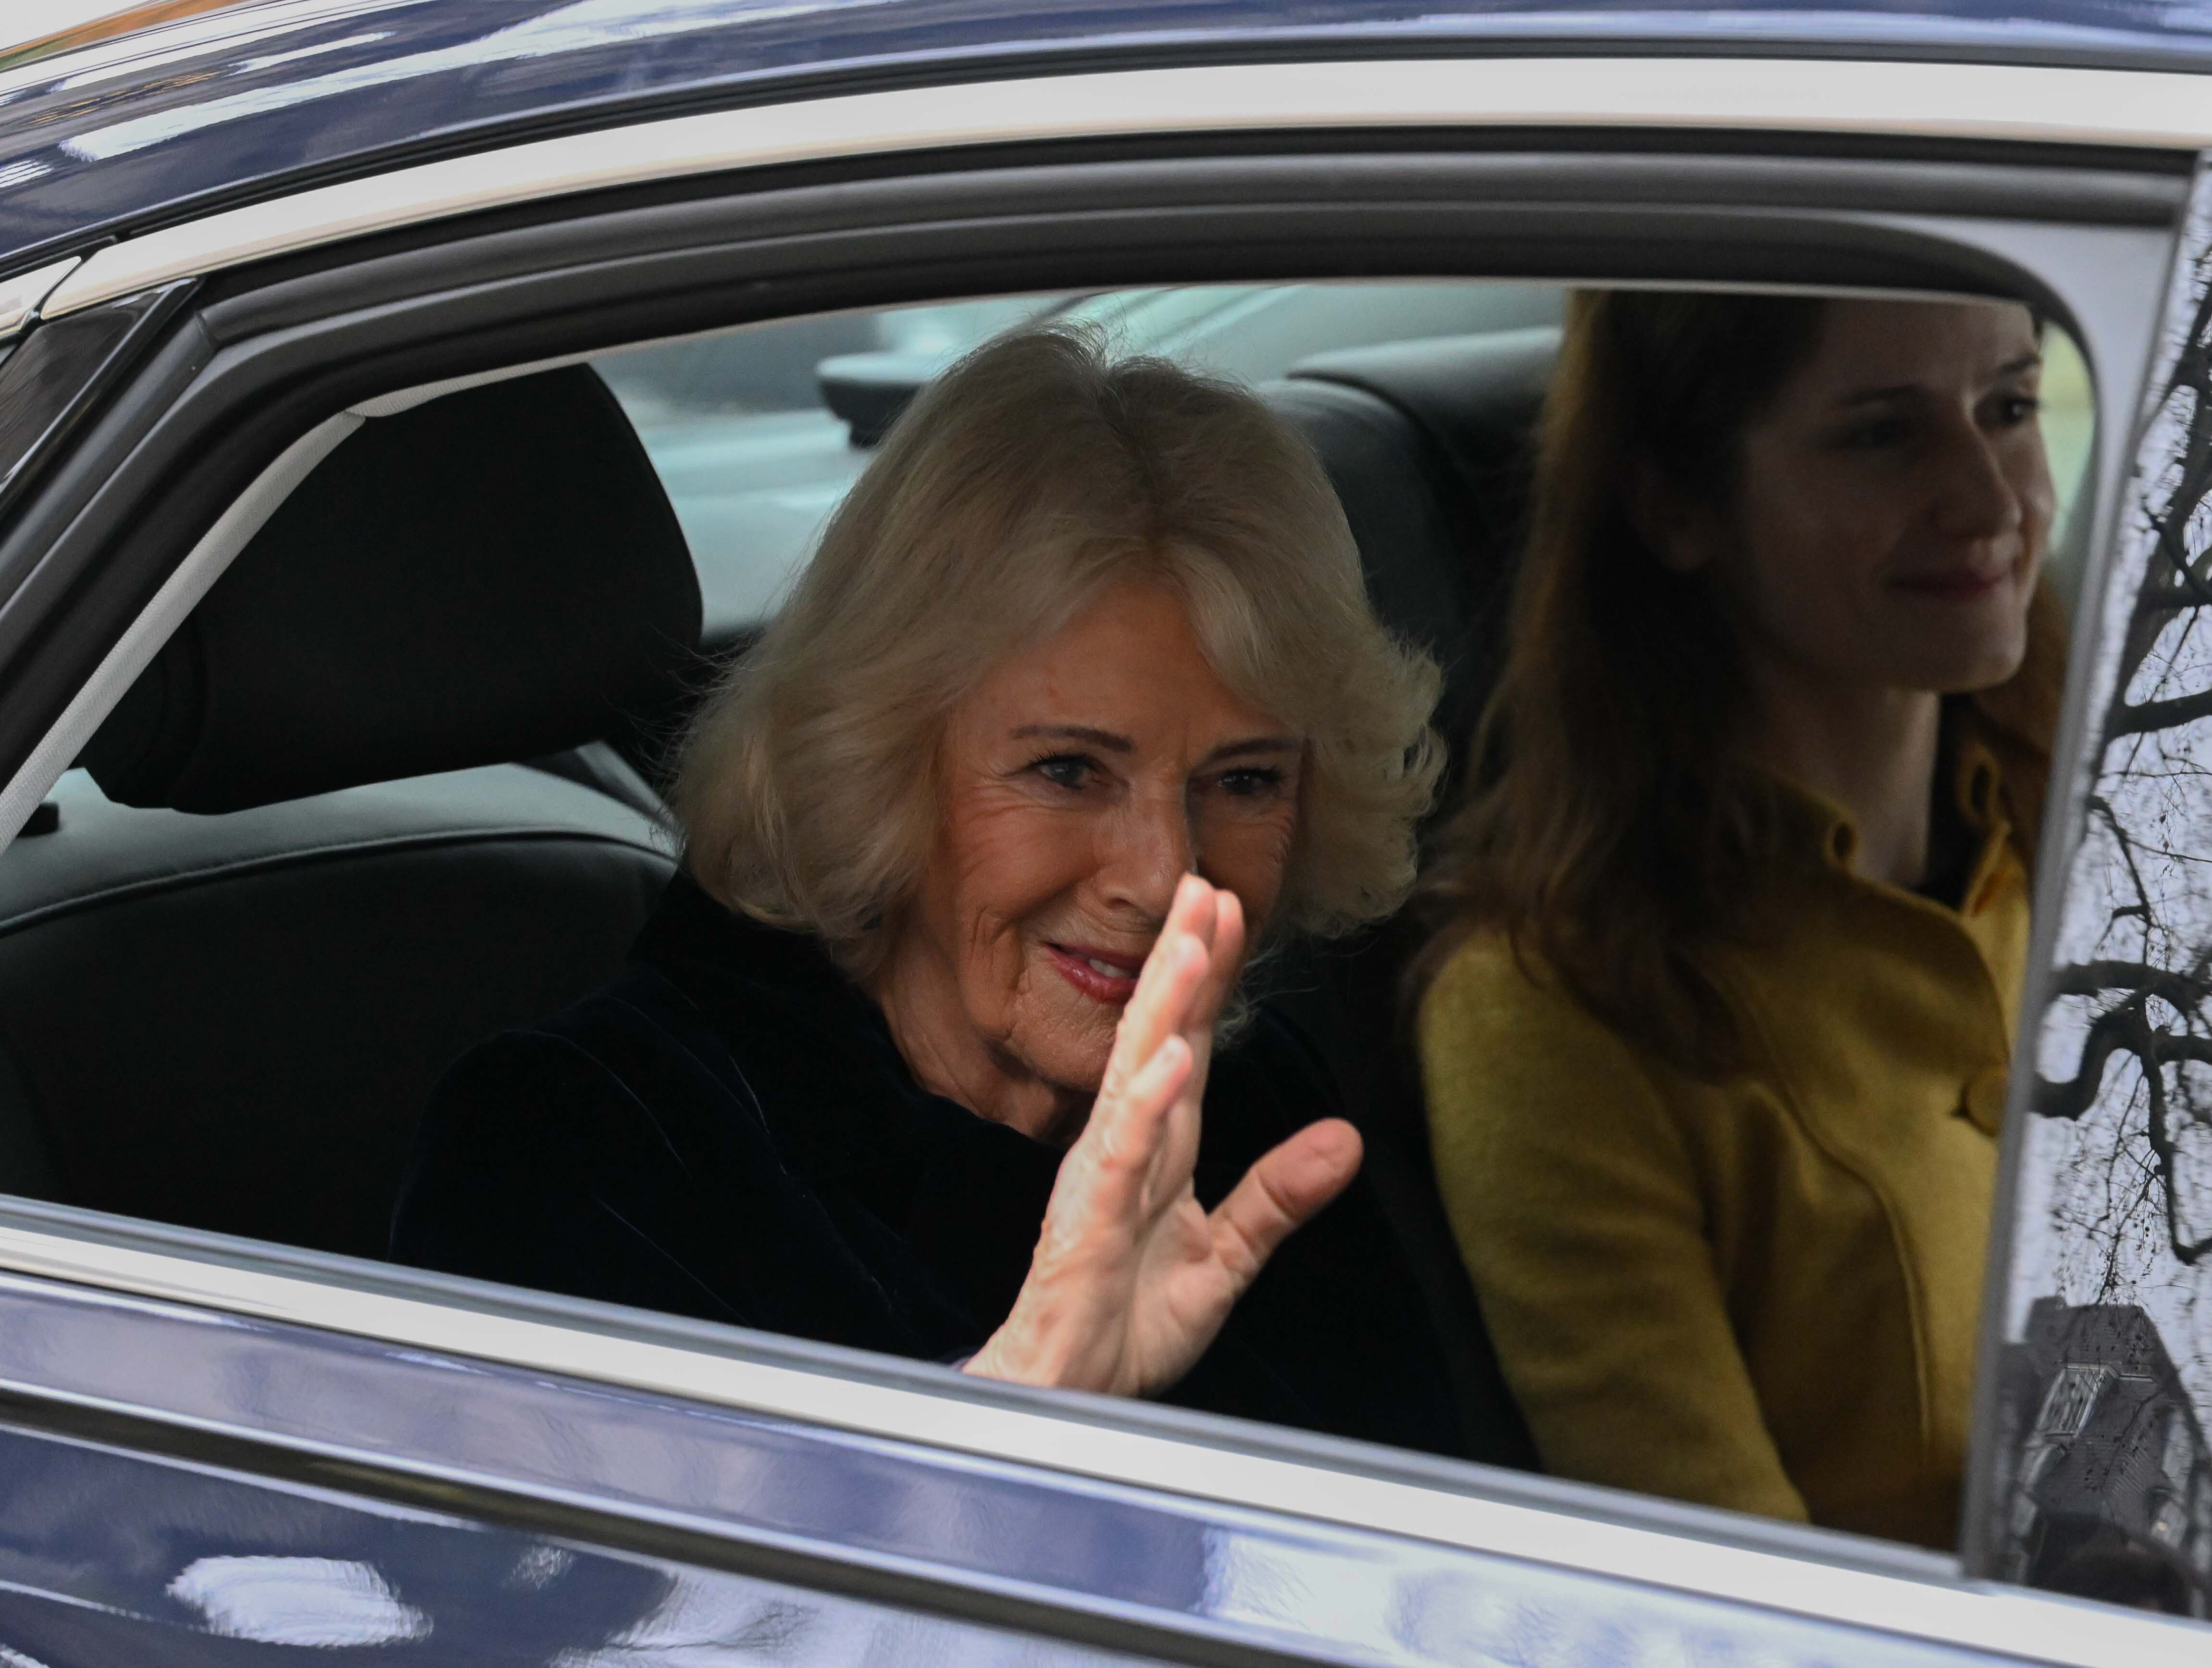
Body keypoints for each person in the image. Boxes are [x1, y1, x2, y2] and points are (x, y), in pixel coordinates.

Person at [393, 327, 1461, 1450]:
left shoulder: (1247, 1099)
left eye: (1243, 780)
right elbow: (584, 1621)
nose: (1162, 876)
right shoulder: (585, 1143)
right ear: (880, 762)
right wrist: (1020, 1393)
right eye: (1066, 770)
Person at [1411, 290, 2064, 1545]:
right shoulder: (1553, 1008)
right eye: (1881, 436)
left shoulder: (2112, 835)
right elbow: (1717, 1615)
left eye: (2009, 408)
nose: (1990, 501)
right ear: (1672, 504)